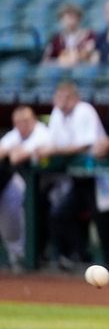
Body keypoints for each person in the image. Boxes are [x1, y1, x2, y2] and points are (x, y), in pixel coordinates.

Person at [38, 82, 109, 270]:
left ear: (76, 98)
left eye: (67, 97)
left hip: (100, 177)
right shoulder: (57, 114)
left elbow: (84, 144)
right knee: (60, 214)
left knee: (104, 221)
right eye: (59, 97)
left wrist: (56, 151)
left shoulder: (85, 110)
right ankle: (81, 256)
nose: (62, 102)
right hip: (78, 179)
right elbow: (52, 143)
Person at [0, 106, 52, 269]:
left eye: (25, 121)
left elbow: (16, 157)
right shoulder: (14, 134)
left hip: (54, 184)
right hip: (30, 186)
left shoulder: (42, 132)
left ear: (34, 120)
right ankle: (19, 257)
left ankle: (37, 257)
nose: (21, 125)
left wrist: (12, 151)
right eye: (18, 122)